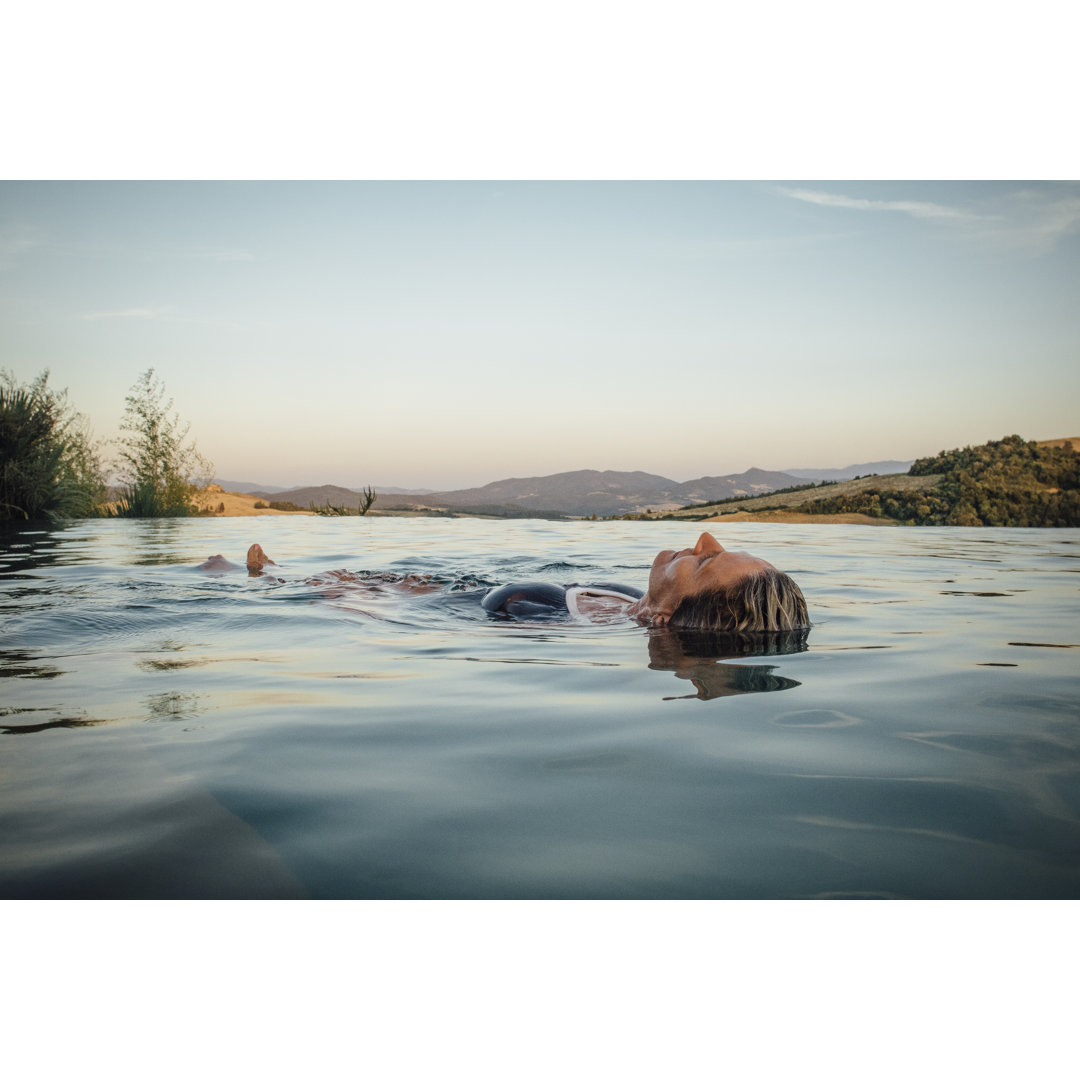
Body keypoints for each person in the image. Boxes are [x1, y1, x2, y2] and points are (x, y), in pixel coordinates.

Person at [200, 532, 809, 633]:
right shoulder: (629, 605)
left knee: (348, 584)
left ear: (666, 617)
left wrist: (354, 603)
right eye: (717, 548)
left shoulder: (555, 625)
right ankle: (274, 573)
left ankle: (260, 579)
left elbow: (411, 627)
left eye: (704, 563)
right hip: (433, 586)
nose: (704, 542)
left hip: (397, 605)